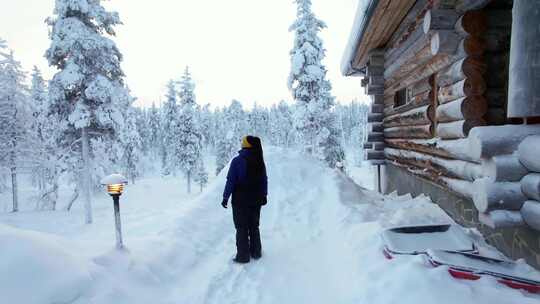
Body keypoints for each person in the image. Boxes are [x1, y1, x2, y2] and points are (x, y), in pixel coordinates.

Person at [222, 136, 268, 264]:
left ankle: (243, 256)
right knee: (254, 226)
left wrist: (225, 197)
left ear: (246, 145)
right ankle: (256, 252)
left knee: (241, 227)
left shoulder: (237, 161)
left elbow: (231, 180)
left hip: (240, 200)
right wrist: (264, 195)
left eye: (243, 141)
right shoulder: (260, 160)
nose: (241, 142)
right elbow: (264, 179)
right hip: (256, 198)